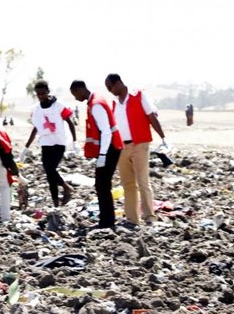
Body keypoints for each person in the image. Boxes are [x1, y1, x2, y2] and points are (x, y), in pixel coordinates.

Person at [105, 74, 166, 227]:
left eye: (110, 87)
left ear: (118, 83)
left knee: (142, 181)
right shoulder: (114, 104)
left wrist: (163, 138)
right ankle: (132, 219)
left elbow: (151, 117)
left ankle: (150, 217)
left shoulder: (138, 95)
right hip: (121, 147)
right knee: (128, 184)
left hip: (140, 144)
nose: (110, 91)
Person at [69, 80, 123, 229]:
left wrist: (103, 155)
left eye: (75, 94)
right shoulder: (95, 101)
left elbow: (106, 132)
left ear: (80, 90)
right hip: (110, 147)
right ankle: (106, 220)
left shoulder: (96, 104)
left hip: (110, 148)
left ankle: (106, 222)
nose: (75, 98)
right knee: (103, 185)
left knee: (102, 185)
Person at [20, 80, 79, 207]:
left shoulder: (58, 105)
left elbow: (70, 122)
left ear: (48, 92)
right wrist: (25, 147)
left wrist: (75, 141)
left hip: (59, 142)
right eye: (38, 94)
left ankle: (66, 187)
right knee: (49, 173)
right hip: (46, 143)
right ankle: (56, 204)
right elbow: (36, 128)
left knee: (51, 169)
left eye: (43, 93)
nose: (41, 96)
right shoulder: (36, 109)